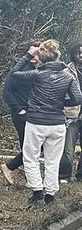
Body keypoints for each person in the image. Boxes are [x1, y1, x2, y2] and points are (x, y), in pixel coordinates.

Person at [9, 39, 82, 207]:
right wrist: (61, 104)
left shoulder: (37, 74)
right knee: (53, 159)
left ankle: (37, 192)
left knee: (31, 157)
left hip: (36, 121)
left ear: (41, 57)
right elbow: (78, 98)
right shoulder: (68, 76)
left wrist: (28, 55)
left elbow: (14, 74)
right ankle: (50, 194)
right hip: (57, 123)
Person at [0, 43, 39, 185]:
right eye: (33, 54)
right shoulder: (20, 70)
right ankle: (15, 170)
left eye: (38, 54)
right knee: (28, 145)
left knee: (33, 146)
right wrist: (18, 109)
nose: (35, 57)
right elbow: (7, 92)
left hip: (35, 112)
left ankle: (14, 169)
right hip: (21, 112)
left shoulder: (41, 69)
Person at [59, 42, 82, 181]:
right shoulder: (66, 71)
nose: (81, 55)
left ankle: (80, 175)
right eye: (78, 53)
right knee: (68, 148)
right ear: (73, 55)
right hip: (71, 115)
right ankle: (64, 174)